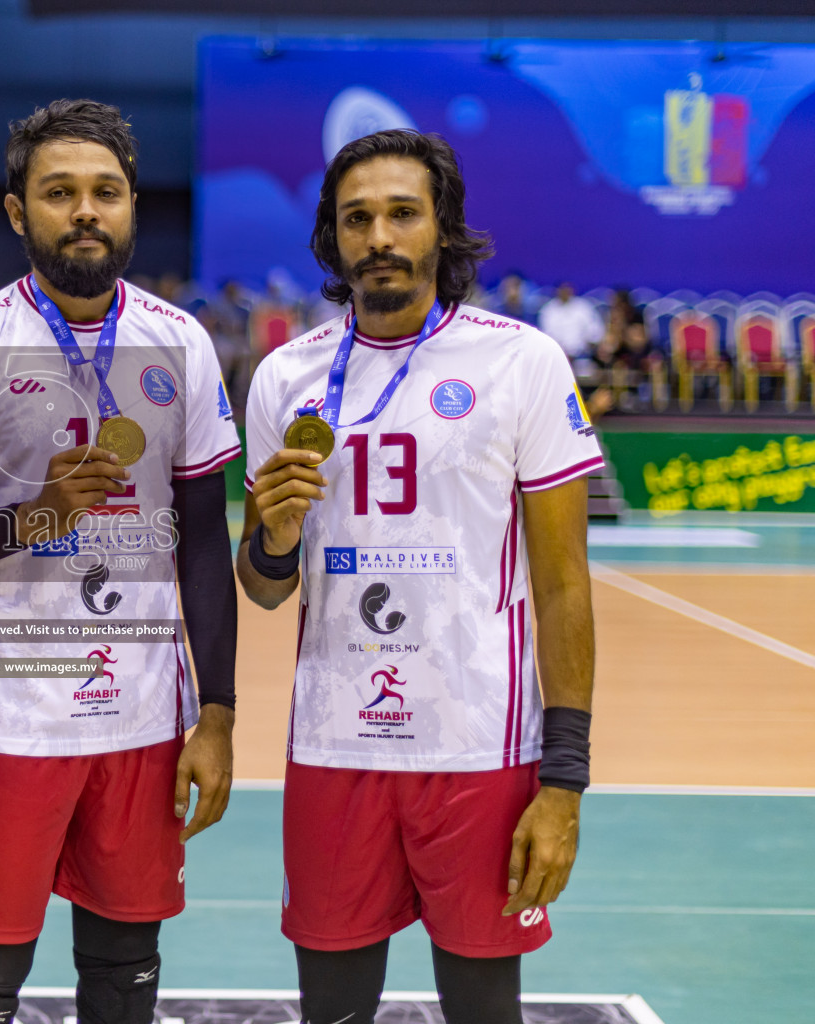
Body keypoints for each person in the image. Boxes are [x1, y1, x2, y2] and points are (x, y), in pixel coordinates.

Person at [236, 129, 601, 1024]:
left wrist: (564, 782)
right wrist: (275, 533)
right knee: (332, 1009)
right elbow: (266, 584)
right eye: (357, 219)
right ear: (332, 238)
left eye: (403, 213)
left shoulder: (519, 361)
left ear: (443, 229)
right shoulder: (285, 377)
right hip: (334, 748)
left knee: (483, 1006)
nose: (381, 237)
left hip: (480, 753)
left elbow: (562, 588)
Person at [0, 99, 241, 1024]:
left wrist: (218, 714)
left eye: (106, 192)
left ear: (133, 207)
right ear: (18, 213)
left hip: (145, 725)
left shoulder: (185, 343)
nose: (86, 211)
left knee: (126, 974)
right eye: (60, 193)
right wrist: (29, 519)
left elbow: (206, 539)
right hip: (16, 724)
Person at [538, 282, 604, 367]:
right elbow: (547, 334)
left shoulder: (583, 307)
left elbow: (594, 330)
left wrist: (589, 345)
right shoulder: (548, 310)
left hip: (582, 355)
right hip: (557, 356)